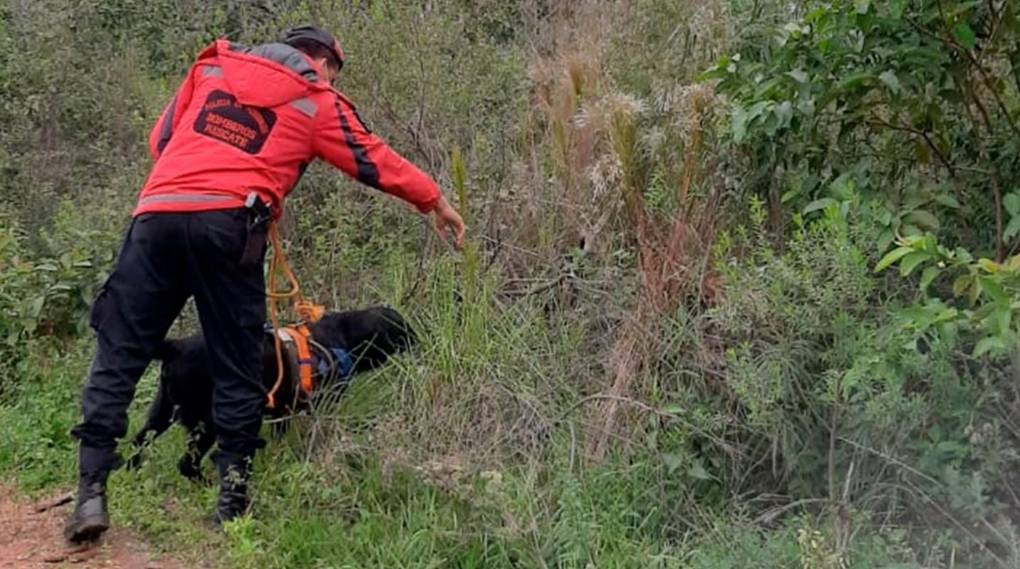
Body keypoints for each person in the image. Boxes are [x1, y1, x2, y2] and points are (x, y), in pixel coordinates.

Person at [64, 25, 466, 543]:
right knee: (237, 364)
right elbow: (373, 160)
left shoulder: (209, 71)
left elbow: (161, 141)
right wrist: (434, 200)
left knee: (118, 355)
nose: (332, 81)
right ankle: (231, 503)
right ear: (321, 63)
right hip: (230, 226)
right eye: (334, 73)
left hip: (157, 215)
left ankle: (91, 493)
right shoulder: (315, 99)